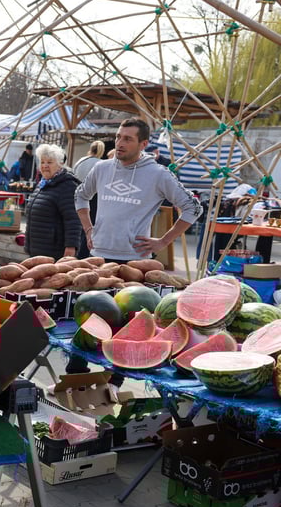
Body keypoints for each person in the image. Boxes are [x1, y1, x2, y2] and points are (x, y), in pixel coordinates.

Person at [73, 118, 202, 385]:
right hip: (97, 258)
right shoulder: (102, 168)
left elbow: (193, 209)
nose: (120, 143)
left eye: (127, 139)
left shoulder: (158, 174)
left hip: (135, 264)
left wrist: (163, 242)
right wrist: (88, 228)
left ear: (143, 144)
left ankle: (112, 384)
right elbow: (80, 195)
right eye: (119, 137)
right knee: (84, 320)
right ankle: (75, 375)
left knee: (125, 328)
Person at [24, 144, 82, 260]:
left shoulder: (67, 186)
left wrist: (71, 246)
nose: (45, 166)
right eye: (42, 162)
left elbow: (73, 219)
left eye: (49, 162)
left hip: (54, 252)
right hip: (37, 249)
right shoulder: (42, 184)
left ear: (60, 164)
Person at [72, 141, 105, 258]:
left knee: (79, 227)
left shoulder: (80, 161)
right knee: (90, 228)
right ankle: (85, 254)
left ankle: (78, 253)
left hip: (77, 196)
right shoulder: (101, 164)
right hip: (94, 199)